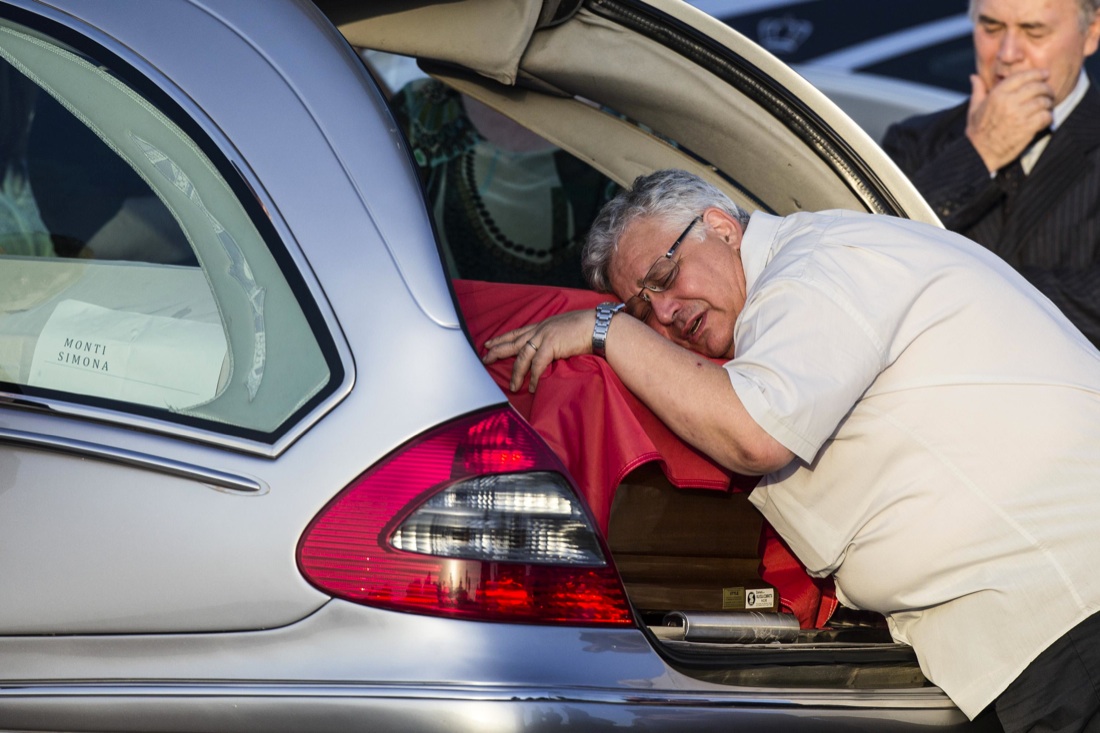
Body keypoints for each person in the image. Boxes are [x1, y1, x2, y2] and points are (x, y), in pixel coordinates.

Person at [482, 168, 1100, 731]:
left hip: (1065, 609)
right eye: (643, 310)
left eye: (665, 278)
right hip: (1036, 619)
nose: (665, 314)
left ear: (721, 227)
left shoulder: (814, 267)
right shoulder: (805, 268)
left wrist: (608, 330)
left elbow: (754, 432)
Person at [882, 0, 1100, 346]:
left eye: (1034, 31)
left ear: (1091, 32)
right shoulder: (914, 142)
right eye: (991, 27)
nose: (1008, 53)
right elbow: (876, 259)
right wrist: (978, 154)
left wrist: (951, 290)